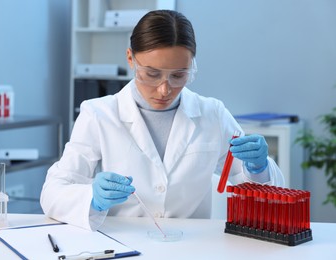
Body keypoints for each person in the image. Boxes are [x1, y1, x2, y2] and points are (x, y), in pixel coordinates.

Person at [40, 10, 284, 231]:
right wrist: (91, 197)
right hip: (123, 244)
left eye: (179, 75)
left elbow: (266, 195)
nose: (164, 89)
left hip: (192, 247)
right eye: (152, 74)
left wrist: (259, 168)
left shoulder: (212, 113)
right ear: (130, 59)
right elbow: (52, 193)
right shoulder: (99, 114)